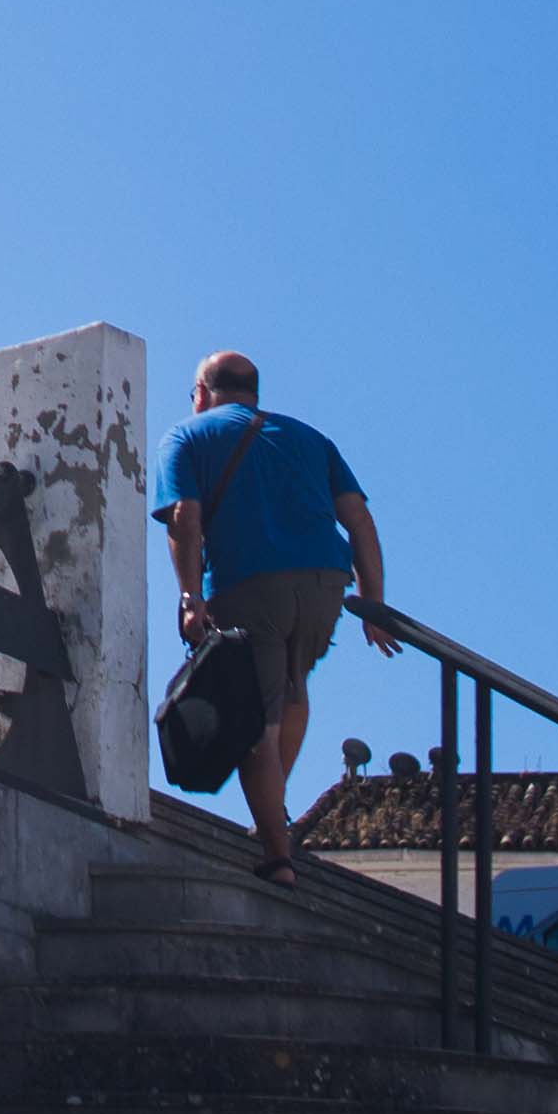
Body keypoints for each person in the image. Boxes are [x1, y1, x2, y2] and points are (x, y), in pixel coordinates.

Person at [157, 347, 394, 875]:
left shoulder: (186, 437)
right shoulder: (310, 439)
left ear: (201, 392)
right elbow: (359, 521)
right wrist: (373, 604)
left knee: (254, 721)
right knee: (293, 690)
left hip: (248, 584)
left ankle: (277, 856)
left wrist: (190, 598)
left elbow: (183, 519)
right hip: (324, 584)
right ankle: (274, 812)